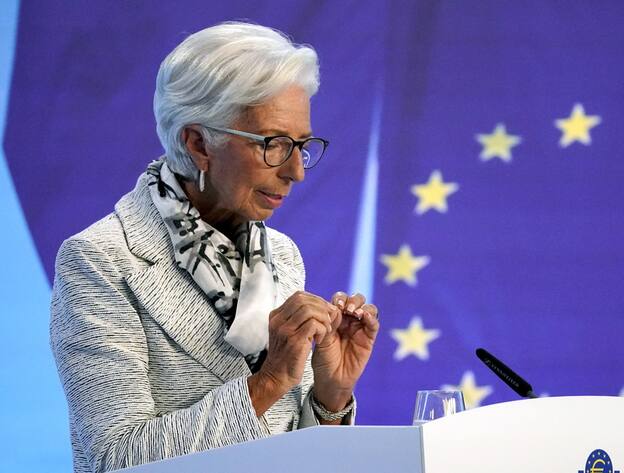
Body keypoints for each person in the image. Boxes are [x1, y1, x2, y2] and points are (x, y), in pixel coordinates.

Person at [49, 21, 380, 473]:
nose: (296, 172)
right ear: (198, 143)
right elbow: (115, 460)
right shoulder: (101, 260)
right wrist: (268, 383)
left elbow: (294, 452)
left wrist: (332, 395)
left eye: (301, 146)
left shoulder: (281, 254)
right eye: (275, 144)